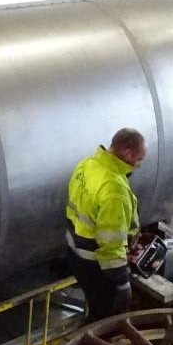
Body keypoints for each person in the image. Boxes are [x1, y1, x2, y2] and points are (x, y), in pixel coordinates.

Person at [65, 128, 147, 322]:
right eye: (139, 159)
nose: (139, 165)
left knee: (94, 304)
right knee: (104, 318)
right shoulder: (114, 189)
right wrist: (121, 282)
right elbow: (111, 244)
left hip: (75, 252)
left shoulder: (87, 164)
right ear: (127, 153)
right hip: (98, 264)